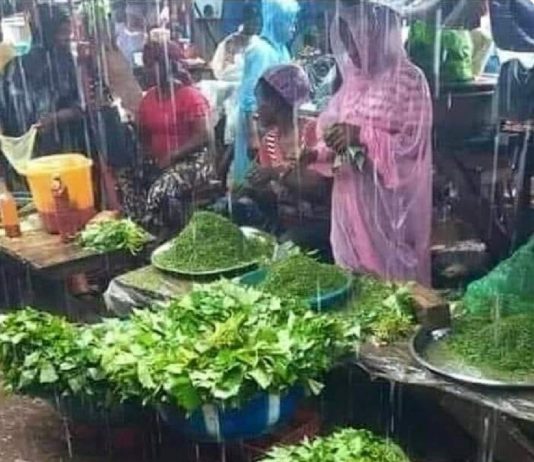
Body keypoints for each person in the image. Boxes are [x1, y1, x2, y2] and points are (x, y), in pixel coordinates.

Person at [309, 0, 433, 285]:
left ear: (377, 32)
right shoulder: (352, 82)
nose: (351, 51)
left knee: (394, 288)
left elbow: (412, 150)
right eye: (345, 41)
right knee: (353, 284)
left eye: (355, 39)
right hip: (349, 201)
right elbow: (336, 135)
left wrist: (363, 137)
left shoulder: (409, 80)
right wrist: (315, 153)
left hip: (388, 211)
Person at [247, 63, 332, 252]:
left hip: (322, 224)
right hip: (288, 223)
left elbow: (318, 188)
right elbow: (273, 196)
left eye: (260, 101)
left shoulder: (314, 131)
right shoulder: (269, 141)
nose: (256, 109)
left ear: (276, 102)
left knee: (286, 245)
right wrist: (255, 187)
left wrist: (275, 174)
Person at [135, 42, 215, 235]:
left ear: (166, 66)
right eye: (145, 65)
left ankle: (169, 235)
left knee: (162, 189)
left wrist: (173, 156)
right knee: (131, 185)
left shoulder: (190, 96)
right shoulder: (148, 100)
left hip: (194, 162)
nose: (146, 70)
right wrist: (148, 158)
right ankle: (142, 233)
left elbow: (204, 136)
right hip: (162, 163)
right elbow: (142, 135)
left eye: (150, 65)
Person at [0, 4, 84, 157]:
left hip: (61, 146)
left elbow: (78, 108)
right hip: (21, 148)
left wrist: (54, 118)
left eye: (69, 32)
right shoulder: (14, 64)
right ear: (49, 32)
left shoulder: (66, 61)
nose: (68, 38)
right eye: (63, 32)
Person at [233, 0, 300, 185]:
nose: (293, 28)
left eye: (294, 22)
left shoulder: (282, 49)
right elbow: (248, 97)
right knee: (254, 178)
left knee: (277, 176)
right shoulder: (259, 50)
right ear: (275, 21)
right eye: (289, 22)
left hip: (274, 125)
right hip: (256, 124)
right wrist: (253, 137)